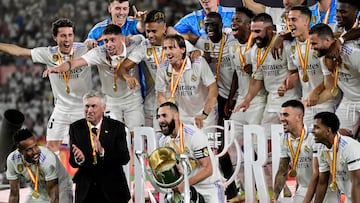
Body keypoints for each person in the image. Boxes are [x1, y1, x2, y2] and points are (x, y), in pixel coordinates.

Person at [0, 18, 92, 156]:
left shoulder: (85, 49)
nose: (67, 39)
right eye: (62, 36)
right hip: (61, 109)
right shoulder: (49, 53)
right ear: (55, 37)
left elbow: (110, 45)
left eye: (70, 35)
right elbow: (20, 52)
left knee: (89, 147)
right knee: (52, 146)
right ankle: (58, 177)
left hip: (84, 108)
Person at [44, 24, 145, 135]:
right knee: (113, 136)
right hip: (111, 101)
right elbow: (75, 63)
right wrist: (58, 68)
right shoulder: (99, 53)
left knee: (136, 136)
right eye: (106, 41)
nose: (109, 45)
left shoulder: (135, 43)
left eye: (112, 40)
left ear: (121, 38)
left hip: (133, 99)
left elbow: (143, 37)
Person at [119, 10, 201, 128]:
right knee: (154, 142)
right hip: (154, 101)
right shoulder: (145, 46)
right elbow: (123, 68)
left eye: (154, 31)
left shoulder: (176, 42)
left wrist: (196, 54)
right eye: (147, 31)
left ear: (164, 29)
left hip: (181, 100)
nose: (150, 35)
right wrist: (127, 77)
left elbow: (197, 54)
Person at [227, 7, 267, 202]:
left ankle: (268, 188)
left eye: (238, 20)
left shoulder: (258, 46)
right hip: (240, 102)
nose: (234, 23)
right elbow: (236, 72)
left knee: (257, 148)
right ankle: (245, 188)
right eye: (233, 20)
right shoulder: (232, 46)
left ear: (250, 25)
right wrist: (230, 97)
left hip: (258, 102)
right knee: (232, 146)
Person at [69, 90, 130, 203]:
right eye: (87, 106)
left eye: (94, 106)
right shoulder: (76, 128)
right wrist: (78, 159)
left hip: (112, 190)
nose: (89, 110)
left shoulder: (116, 127)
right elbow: (72, 161)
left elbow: (124, 157)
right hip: (86, 191)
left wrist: (102, 152)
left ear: (103, 108)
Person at [272, 100, 339, 203]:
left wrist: (307, 201)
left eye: (286, 115)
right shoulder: (284, 139)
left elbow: (317, 173)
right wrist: (274, 198)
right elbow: (282, 170)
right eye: (281, 115)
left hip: (325, 190)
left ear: (299, 116)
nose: (281, 119)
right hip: (303, 189)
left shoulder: (315, 136)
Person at [157, 102, 224, 203]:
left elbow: (208, 169)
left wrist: (185, 185)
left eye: (164, 116)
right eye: (158, 116)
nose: (161, 120)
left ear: (176, 116)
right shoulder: (163, 141)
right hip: (187, 189)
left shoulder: (193, 136)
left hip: (208, 187)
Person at [284, 6, 339, 127]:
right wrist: (288, 81)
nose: (290, 23)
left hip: (326, 102)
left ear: (306, 22)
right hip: (306, 103)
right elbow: (294, 72)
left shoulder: (318, 44)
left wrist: (316, 91)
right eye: (288, 20)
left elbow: (330, 78)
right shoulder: (290, 46)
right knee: (307, 141)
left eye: (294, 19)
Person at [155, 34, 218, 129]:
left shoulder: (198, 63)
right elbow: (161, 96)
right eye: (165, 48)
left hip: (203, 113)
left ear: (183, 49)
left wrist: (205, 114)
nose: (167, 52)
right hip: (181, 116)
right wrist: (169, 116)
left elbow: (213, 89)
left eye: (171, 48)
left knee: (206, 143)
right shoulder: (162, 67)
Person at [309, 23, 360, 138]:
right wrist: (311, 102)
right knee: (336, 138)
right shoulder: (323, 58)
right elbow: (330, 88)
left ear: (327, 40)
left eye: (314, 43)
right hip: (348, 102)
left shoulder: (353, 54)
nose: (312, 47)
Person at [6, 128, 73, 203]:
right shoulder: (12, 160)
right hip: (38, 192)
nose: (35, 151)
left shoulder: (48, 159)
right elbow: (14, 194)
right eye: (29, 149)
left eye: (36, 146)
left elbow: (55, 196)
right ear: (20, 151)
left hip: (61, 190)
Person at [312, 112, 360, 203]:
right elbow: (322, 183)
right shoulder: (321, 148)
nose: (312, 131)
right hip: (351, 197)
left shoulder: (349, 147)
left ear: (328, 131)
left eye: (317, 127)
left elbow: (357, 183)